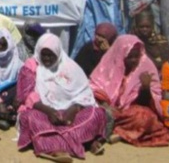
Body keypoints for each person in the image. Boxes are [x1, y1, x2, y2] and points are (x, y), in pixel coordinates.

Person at [16, 33, 107, 163]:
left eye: (51, 55)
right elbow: (26, 94)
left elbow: (84, 94)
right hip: (43, 111)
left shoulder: (70, 67)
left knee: (96, 113)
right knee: (30, 118)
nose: (47, 59)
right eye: (44, 54)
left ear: (58, 53)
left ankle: (56, 144)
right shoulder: (31, 66)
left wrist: (73, 110)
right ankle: (82, 143)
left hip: (71, 113)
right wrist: (49, 111)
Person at [90, 35, 169, 147]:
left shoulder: (146, 66)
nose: (133, 60)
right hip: (107, 109)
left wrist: (145, 89)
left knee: (145, 117)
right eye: (129, 57)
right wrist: (105, 104)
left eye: (136, 56)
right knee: (91, 112)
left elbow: (153, 102)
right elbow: (94, 88)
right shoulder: (109, 63)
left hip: (128, 113)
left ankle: (116, 130)